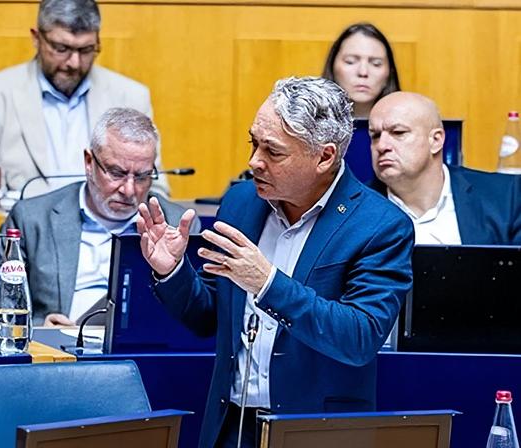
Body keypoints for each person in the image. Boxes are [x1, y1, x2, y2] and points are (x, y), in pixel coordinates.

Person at [137, 77, 414, 447]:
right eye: (253, 143)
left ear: (325, 157)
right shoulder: (240, 203)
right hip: (230, 424)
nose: (254, 162)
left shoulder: (380, 225)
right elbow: (210, 317)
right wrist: (171, 271)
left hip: (315, 429)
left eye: (273, 152)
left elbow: (359, 337)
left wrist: (268, 283)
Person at [0, 0, 170, 201]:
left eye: (86, 50)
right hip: (24, 237)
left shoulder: (130, 97)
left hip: (108, 234)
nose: (73, 63)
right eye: (61, 49)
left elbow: (155, 190)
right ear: (36, 38)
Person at [2, 107, 198, 326]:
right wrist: (39, 329)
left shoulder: (177, 225)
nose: (129, 190)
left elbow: (198, 316)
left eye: (142, 176)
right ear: (89, 162)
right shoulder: (33, 219)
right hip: (57, 352)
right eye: (116, 173)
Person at [369, 91, 521, 245]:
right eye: (375, 135)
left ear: (436, 140)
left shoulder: (508, 195)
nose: (381, 146)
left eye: (398, 132)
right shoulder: (355, 208)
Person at [322, 23, 400, 118]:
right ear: (332, 66)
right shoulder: (306, 127)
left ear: (389, 72)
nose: (363, 72)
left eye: (376, 63)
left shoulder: (408, 125)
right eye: (350, 61)